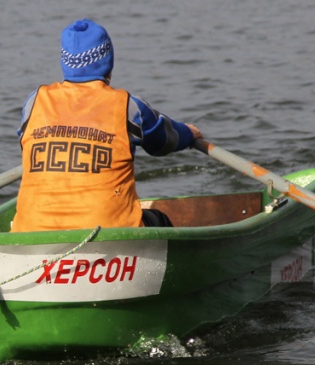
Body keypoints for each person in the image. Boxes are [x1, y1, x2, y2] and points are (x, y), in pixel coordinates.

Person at [11, 19, 203, 232]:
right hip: (107, 231)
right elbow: (164, 141)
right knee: (159, 219)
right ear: (108, 63)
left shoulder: (34, 102)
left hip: (30, 231)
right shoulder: (128, 106)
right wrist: (189, 133)